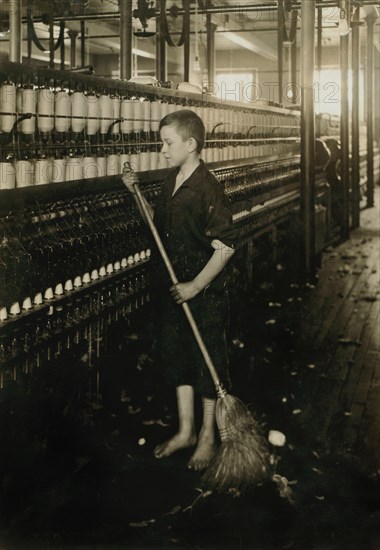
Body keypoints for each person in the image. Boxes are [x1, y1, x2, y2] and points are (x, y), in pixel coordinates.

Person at [122, 109, 235, 471]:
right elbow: (156, 226)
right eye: (161, 142)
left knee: (205, 361)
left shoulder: (208, 187)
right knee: (177, 355)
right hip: (172, 287)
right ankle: (185, 430)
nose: (162, 149)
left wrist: (195, 285)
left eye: (168, 143)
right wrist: (134, 193)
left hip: (202, 291)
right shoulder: (171, 180)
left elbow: (226, 247)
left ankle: (207, 436)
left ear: (191, 144)